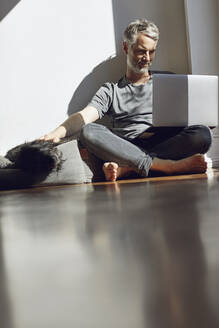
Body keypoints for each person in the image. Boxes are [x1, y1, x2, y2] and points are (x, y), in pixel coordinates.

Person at [40, 19, 212, 181]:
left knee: (203, 134)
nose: (147, 57)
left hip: (163, 142)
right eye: (140, 51)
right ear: (125, 47)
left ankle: (130, 169)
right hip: (126, 146)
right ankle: (165, 167)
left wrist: (205, 116)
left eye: (151, 51)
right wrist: (56, 134)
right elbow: (84, 117)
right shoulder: (111, 90)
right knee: (89, 131)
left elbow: (190, 117)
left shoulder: (169, 81)